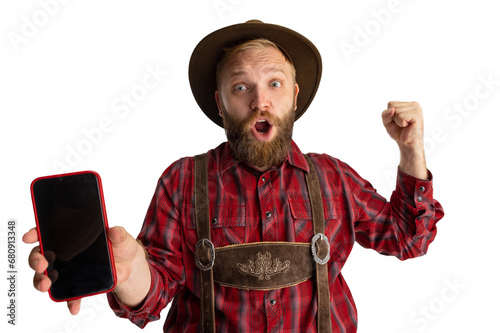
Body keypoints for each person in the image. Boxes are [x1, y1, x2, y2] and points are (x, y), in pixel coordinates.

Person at [24, 20, 444, 332]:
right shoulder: (182, 180)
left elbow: (409, 238)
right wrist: (130, 271)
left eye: (275, 84)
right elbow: (148, 301)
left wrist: (411, 149)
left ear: (294, 98)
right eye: (241, 88)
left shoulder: (334, 177)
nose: (261, 101)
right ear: (220, 103)